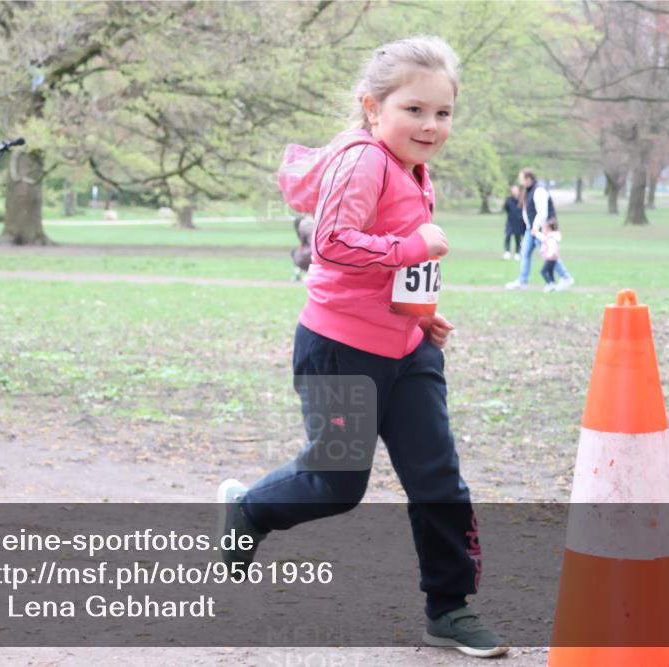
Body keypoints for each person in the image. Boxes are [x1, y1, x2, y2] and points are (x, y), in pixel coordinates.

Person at [217, 36, 507, 658]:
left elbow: (391, 257)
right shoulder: (364, 160)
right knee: (336, 483)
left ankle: (449, 609)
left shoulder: (410, 165)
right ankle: (249, 510)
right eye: (414, 110)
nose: (430, 125)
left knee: (438, 480)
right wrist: (412, 251)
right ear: (372, 108)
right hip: (341, 349)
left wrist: (420, 311)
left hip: (408, 349)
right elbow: (332, 245)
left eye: (443, 113)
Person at [505, 169, 574, 290]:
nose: (521, 183)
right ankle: (522, 281)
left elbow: (543, 212)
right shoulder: (529, 190)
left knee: (550, 255)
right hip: (531, 229)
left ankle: (566, 277)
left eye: (522, 179)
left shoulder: (539, 190)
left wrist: (536, 227)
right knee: (525, 253)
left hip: (541, 230)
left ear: (528, 178)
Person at [535, 218, 562, 292]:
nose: (543, 231)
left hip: (550, 258)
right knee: (550, 271)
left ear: (549, 229)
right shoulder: (549, 237)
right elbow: (542, 238)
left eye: (544, 229)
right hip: (553, 258)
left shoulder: (551, 238)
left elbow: (552, 248)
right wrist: (536, 233)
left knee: (543, 271)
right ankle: (553, 284)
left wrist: (549, 255)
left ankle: (550, 284)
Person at [501, 184, 523, 260]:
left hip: (519, 222)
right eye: (513, 190)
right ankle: (507, 252)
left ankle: (517, 253)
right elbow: (506, 209)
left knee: (518, 238)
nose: (515, 192)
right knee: (508, 236)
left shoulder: (522, 199)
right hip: (510, 221)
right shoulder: (509, 200)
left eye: (516, 190)